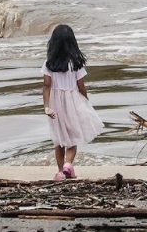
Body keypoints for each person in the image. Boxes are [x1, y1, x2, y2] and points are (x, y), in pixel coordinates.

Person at [42, 24, 104, 180]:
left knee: (58, 139)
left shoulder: (48, 64)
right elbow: (81, 86)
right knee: (72, 137)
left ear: (53, 43)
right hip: (73, 101)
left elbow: (46, 86)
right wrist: (85, 100)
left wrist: (46, 106)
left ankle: (60, 172)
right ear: (72, 43)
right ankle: (68, 165)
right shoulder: (76, 64)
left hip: (55, 104)